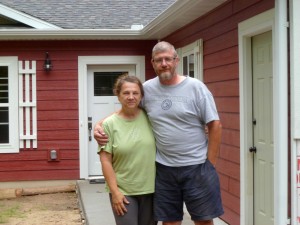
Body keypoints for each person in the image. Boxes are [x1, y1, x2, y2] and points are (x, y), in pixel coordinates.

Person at [95, 41, 223, 225]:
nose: (164, 64)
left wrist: (210, 164)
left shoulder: (196, 87)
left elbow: (215, 125)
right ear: (152, 63)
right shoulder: (147, 89)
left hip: (197, 166)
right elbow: (127, 109)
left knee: (203, 220)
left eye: (168, 59)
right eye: (159, 60)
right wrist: (99, 124)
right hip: (164, 169)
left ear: (176, 60)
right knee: (169, 222)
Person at [98, 74, 156, 225]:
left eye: (135, 93)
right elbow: (105, 160)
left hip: (152, 189)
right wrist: (115, 192)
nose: (131, 97)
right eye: (126, 93)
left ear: (141, 96)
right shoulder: (109, 124)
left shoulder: (151, 118)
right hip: (124, 191)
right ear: (118, 95)